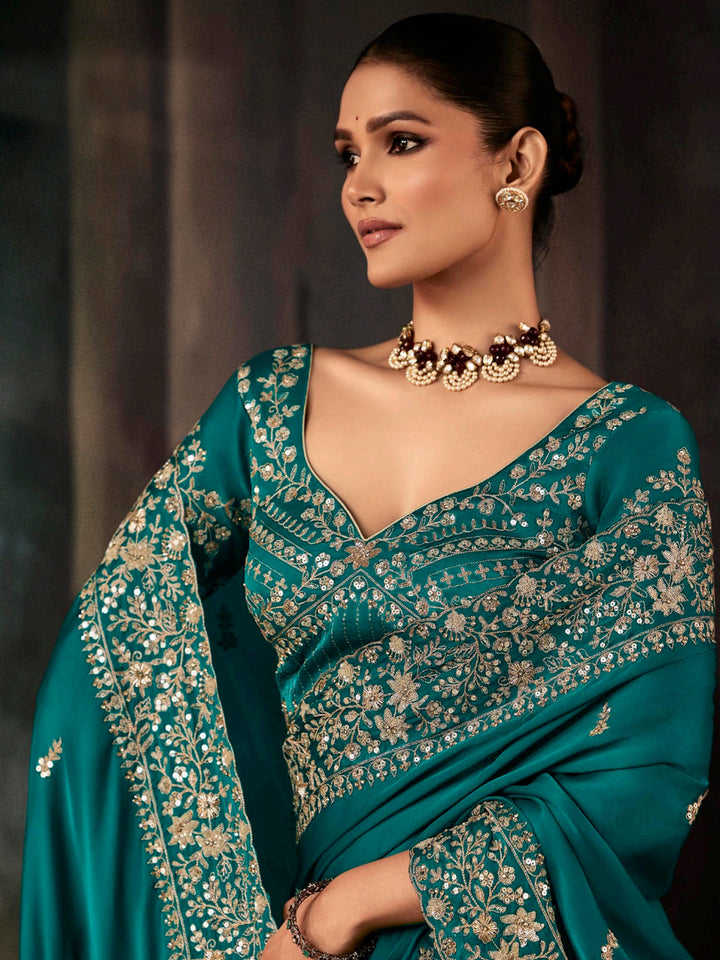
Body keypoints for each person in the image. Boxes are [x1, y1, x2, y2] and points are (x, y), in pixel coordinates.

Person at [20, 13, 715, 960]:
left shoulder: (629, 445)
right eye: (350, 153)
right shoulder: (270, 409)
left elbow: (643, 773)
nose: (360, 186)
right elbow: (121, 637)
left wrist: (355, 904)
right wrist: (234, 927)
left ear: (518, 161)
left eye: (402, 141)